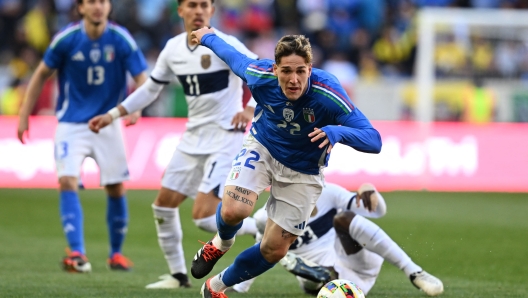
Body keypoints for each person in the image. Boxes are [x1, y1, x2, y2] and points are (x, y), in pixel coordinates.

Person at [188, 28, 383, 298]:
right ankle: (220, 243)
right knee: (235, 210)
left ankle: (216, 287)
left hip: (304, 170)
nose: (293, 80)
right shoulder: (259, 74)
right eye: (286, 71)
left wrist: (337, 132)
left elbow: (374, 140)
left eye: (301, 71)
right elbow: (232, 56)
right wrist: (207, 36)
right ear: (275, 68)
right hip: (264, 146)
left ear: (310, 69)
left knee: (274, 249)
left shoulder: (328, 93)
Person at [88, 0, 259, 289]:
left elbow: (261, 74)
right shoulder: (173, 49)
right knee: (163, 206)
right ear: (180, 11)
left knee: (204, 217)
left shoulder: (227, 44)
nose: (199, 11)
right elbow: (152, 88)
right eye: (192, 5)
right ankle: (179, 277)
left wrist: (249, 109)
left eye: (204, 5)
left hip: (225, 138)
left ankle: (261, 230)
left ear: (212, 11)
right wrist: (114, 113)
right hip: (192, 138)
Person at [16, 0, 148, 273]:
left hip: (108, 123)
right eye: (91, 2)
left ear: (109, 7)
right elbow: (41, 74)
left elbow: (142, 78)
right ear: (81, 8)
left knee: (116, 187)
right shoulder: (67, 38)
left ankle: (116, 255)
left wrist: (138, 107)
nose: (98, 7)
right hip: (71, 124)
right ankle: (77, 253)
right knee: (67, 180)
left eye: (102, 1)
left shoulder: (121, 38)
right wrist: (24, 114)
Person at [232, 182, 444, 297]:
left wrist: (369, 190)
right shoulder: (266, 217)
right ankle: (317, 277)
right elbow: (261, 248)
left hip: (357, 259)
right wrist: (239, 286)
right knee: (313, 279)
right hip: (333, 280)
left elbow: (377, 211)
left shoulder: (329, 193)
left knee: (344, 219)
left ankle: (414, 271)